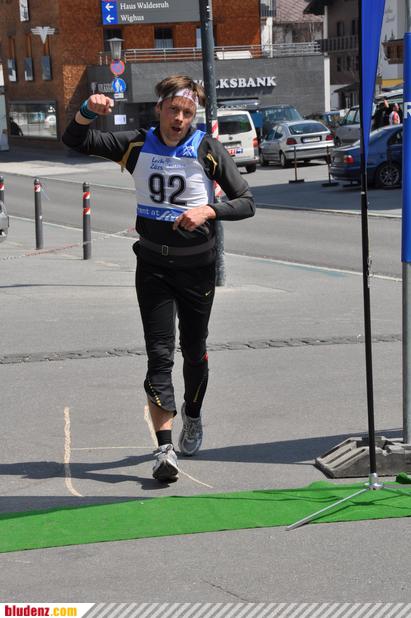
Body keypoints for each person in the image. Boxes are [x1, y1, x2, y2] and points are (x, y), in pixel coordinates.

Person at [62, 75, 255, 483]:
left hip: (197, 269)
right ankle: (164, 448)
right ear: (159, 109)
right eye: (173, 110)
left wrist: (209, 211)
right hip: (153, 268)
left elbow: (246, 201)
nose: (179, 119)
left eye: (187, 112)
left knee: (194, 351)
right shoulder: (136, 144)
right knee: (160, 355)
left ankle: (193, 414)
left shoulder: (207, 149)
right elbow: (75, 140)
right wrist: (86, 111)